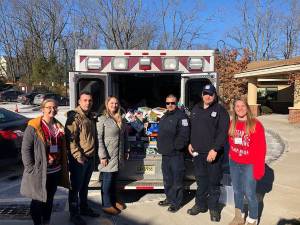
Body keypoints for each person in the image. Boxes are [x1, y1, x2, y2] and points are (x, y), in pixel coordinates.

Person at [20, 99, 69, 225]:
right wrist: (30, 168)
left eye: (55, 107)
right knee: (37, 200)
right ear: (42, 109)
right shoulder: (34, 127)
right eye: (49, 107)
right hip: (40, 171)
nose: (53, 110)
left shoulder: (57, 125)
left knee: (50, 199)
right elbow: (26, 149)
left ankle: (46, 221)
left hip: (55, 170)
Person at [188, 84, 230, 222]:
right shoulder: (196, 109)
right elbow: (192, 129)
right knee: (201, 181)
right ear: (202, 94)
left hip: (213, 155)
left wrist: (215, 149)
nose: (208, 96)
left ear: (214, 95)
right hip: (198, 154)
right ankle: (200, 205)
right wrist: (190, 143)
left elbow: (223, 133)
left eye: (211, 94)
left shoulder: (220, 111)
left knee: (213, 183)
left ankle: (213, 208)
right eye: (205, 93)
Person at [228, 98, 266, 225]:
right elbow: (230, 142)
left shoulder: (256, 124)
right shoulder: (232, 123)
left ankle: (252, 218)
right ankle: (239, 216)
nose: (240, 108)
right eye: (237, 106)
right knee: (237, 190)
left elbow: (261, 148)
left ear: (247, 107)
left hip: (249, 164)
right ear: (234, 109)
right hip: (234, 162)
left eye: (242, 105)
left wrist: (259, 169)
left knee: (249, 192)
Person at [65, 91, 99, 225]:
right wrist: (78, 156)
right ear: (79, 101)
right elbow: (70, 139)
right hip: (79, 159)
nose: (88, 103)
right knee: (75, 188)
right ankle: (74, 214)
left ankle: (84, 208)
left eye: (90, 100)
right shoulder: (74, 117)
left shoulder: (89, 116)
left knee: (84, 187)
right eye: (85, 100)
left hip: (89, 158)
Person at [157, 94, 190, 213]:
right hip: (165, 154)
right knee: (167, 179)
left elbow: (185, 135)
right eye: (168, 103)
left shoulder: (182, 117)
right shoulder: (165, 116)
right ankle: (169, 198)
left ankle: (176, 203)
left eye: (172, 103)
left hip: (176, 155)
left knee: (177, 180)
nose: (170, 105)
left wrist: (176, 147)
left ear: (176, 104)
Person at [97, 96, 129, 215]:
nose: (114, 105)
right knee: (107, 181)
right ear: (107, 104)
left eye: (116, 103)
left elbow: (124, 137)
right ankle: (106, 205)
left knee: (114, 180)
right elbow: (99, 138)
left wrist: (126, 151)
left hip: (118, 154)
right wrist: (102, 156)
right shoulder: (102, 119)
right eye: (112, 103)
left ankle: (113, 200)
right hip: (108, 156)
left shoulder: (121, 118)